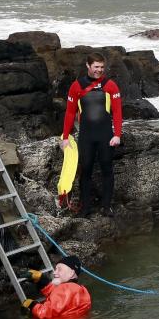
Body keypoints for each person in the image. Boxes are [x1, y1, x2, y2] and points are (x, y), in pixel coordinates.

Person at [61, 53, 123, 217]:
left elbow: (117, 112)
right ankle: (85, 207)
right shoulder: (77, 86)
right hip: (86, 136)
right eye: (96, 67)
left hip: (105, 135)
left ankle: (106, 206)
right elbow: (69, 113)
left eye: (102, 67)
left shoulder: (110, 86)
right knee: (86, 170)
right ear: (88, 66)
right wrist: (65, 137)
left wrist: (117, 134)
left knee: (107, 169)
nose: (99, 70)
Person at [21, 255, 92, 319]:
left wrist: (32, 305)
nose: (54, 272)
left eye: (59, 269)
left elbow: (45, 313)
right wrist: (42, 280)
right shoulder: (81, 290)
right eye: (55, 269)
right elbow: (59, 298)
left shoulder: (66, 289)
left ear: (71, 273)